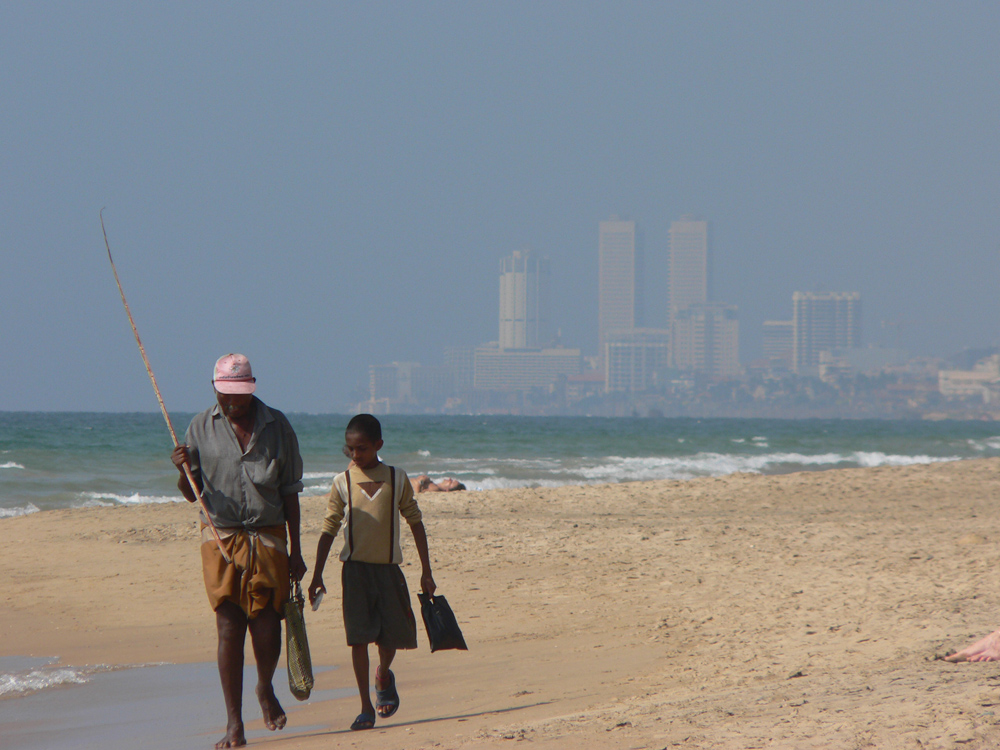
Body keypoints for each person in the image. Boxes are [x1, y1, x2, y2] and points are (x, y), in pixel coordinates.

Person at [171, 353, 306, 749]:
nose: (234, 403)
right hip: (222, 536)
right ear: (215, 389)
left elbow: (290, 495)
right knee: (229, 626)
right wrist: (183, 471)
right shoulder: (200, 426)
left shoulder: (277, 425)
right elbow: (191, 494)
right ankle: (234, 723)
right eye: (227, 395)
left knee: (267, 622)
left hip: (268, 535)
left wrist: (297, 551)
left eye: (240, 395)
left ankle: (264, 687)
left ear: (252, 388)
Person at [308, 413, 435, 731]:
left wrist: (426, 571)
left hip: (388, 570)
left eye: (362, 448)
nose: (355, 455)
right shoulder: (343, 482)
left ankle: (383, 674)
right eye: (350, 449)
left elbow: (415, 521)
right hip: (354, 572)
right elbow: (329, 529)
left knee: (390, 637)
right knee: (359, 638)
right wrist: (317, 574)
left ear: (378, 445)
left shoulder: (396, 477)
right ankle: (365, 706)